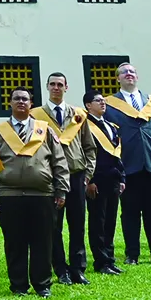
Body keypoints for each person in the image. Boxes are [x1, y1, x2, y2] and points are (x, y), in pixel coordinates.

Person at [0, 87, 69, 295]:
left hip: (42, 195)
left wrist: (61, 190)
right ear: (10, 104)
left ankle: (42, 285)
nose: (21, 102)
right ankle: (19, 285)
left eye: (25, 99)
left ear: (31, 103)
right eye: (17, 99)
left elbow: (58, 160)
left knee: (43, 241)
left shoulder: (45, 130)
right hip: (9, 195)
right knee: (14, 242)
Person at [107, 63, 151, 265]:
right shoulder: (110, 105)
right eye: (124, 72)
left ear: (137, 77)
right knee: (130, 211)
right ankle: (132, 254)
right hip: (127, 164)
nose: (129, 74)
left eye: (132, 72)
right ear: (117, 78)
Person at [39, 73, 94, 285]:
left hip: (77, 176)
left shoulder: (78, 115)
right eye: (52, 84)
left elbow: (89, 147)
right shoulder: (38, 116)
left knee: (78, 223)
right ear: (47, 87)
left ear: (66, 87)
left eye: (59, 84)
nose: (56, 88)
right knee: (54, 226)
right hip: (52, 179)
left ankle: (78, 269)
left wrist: (87, 175)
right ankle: (60, 269)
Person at [84, 92, 125, 274]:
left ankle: (109, 258)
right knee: (97, 222)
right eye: (98, 101)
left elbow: (117, 154)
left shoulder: (111, 126)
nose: (102, 103)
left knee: (110, 221)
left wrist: (122, 177)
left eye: (103, 100)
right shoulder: (85, 126)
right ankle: (100, 261)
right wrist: (89, 180)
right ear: (87, 105)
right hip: (97, 180)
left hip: (113, 178)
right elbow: (86, 154)